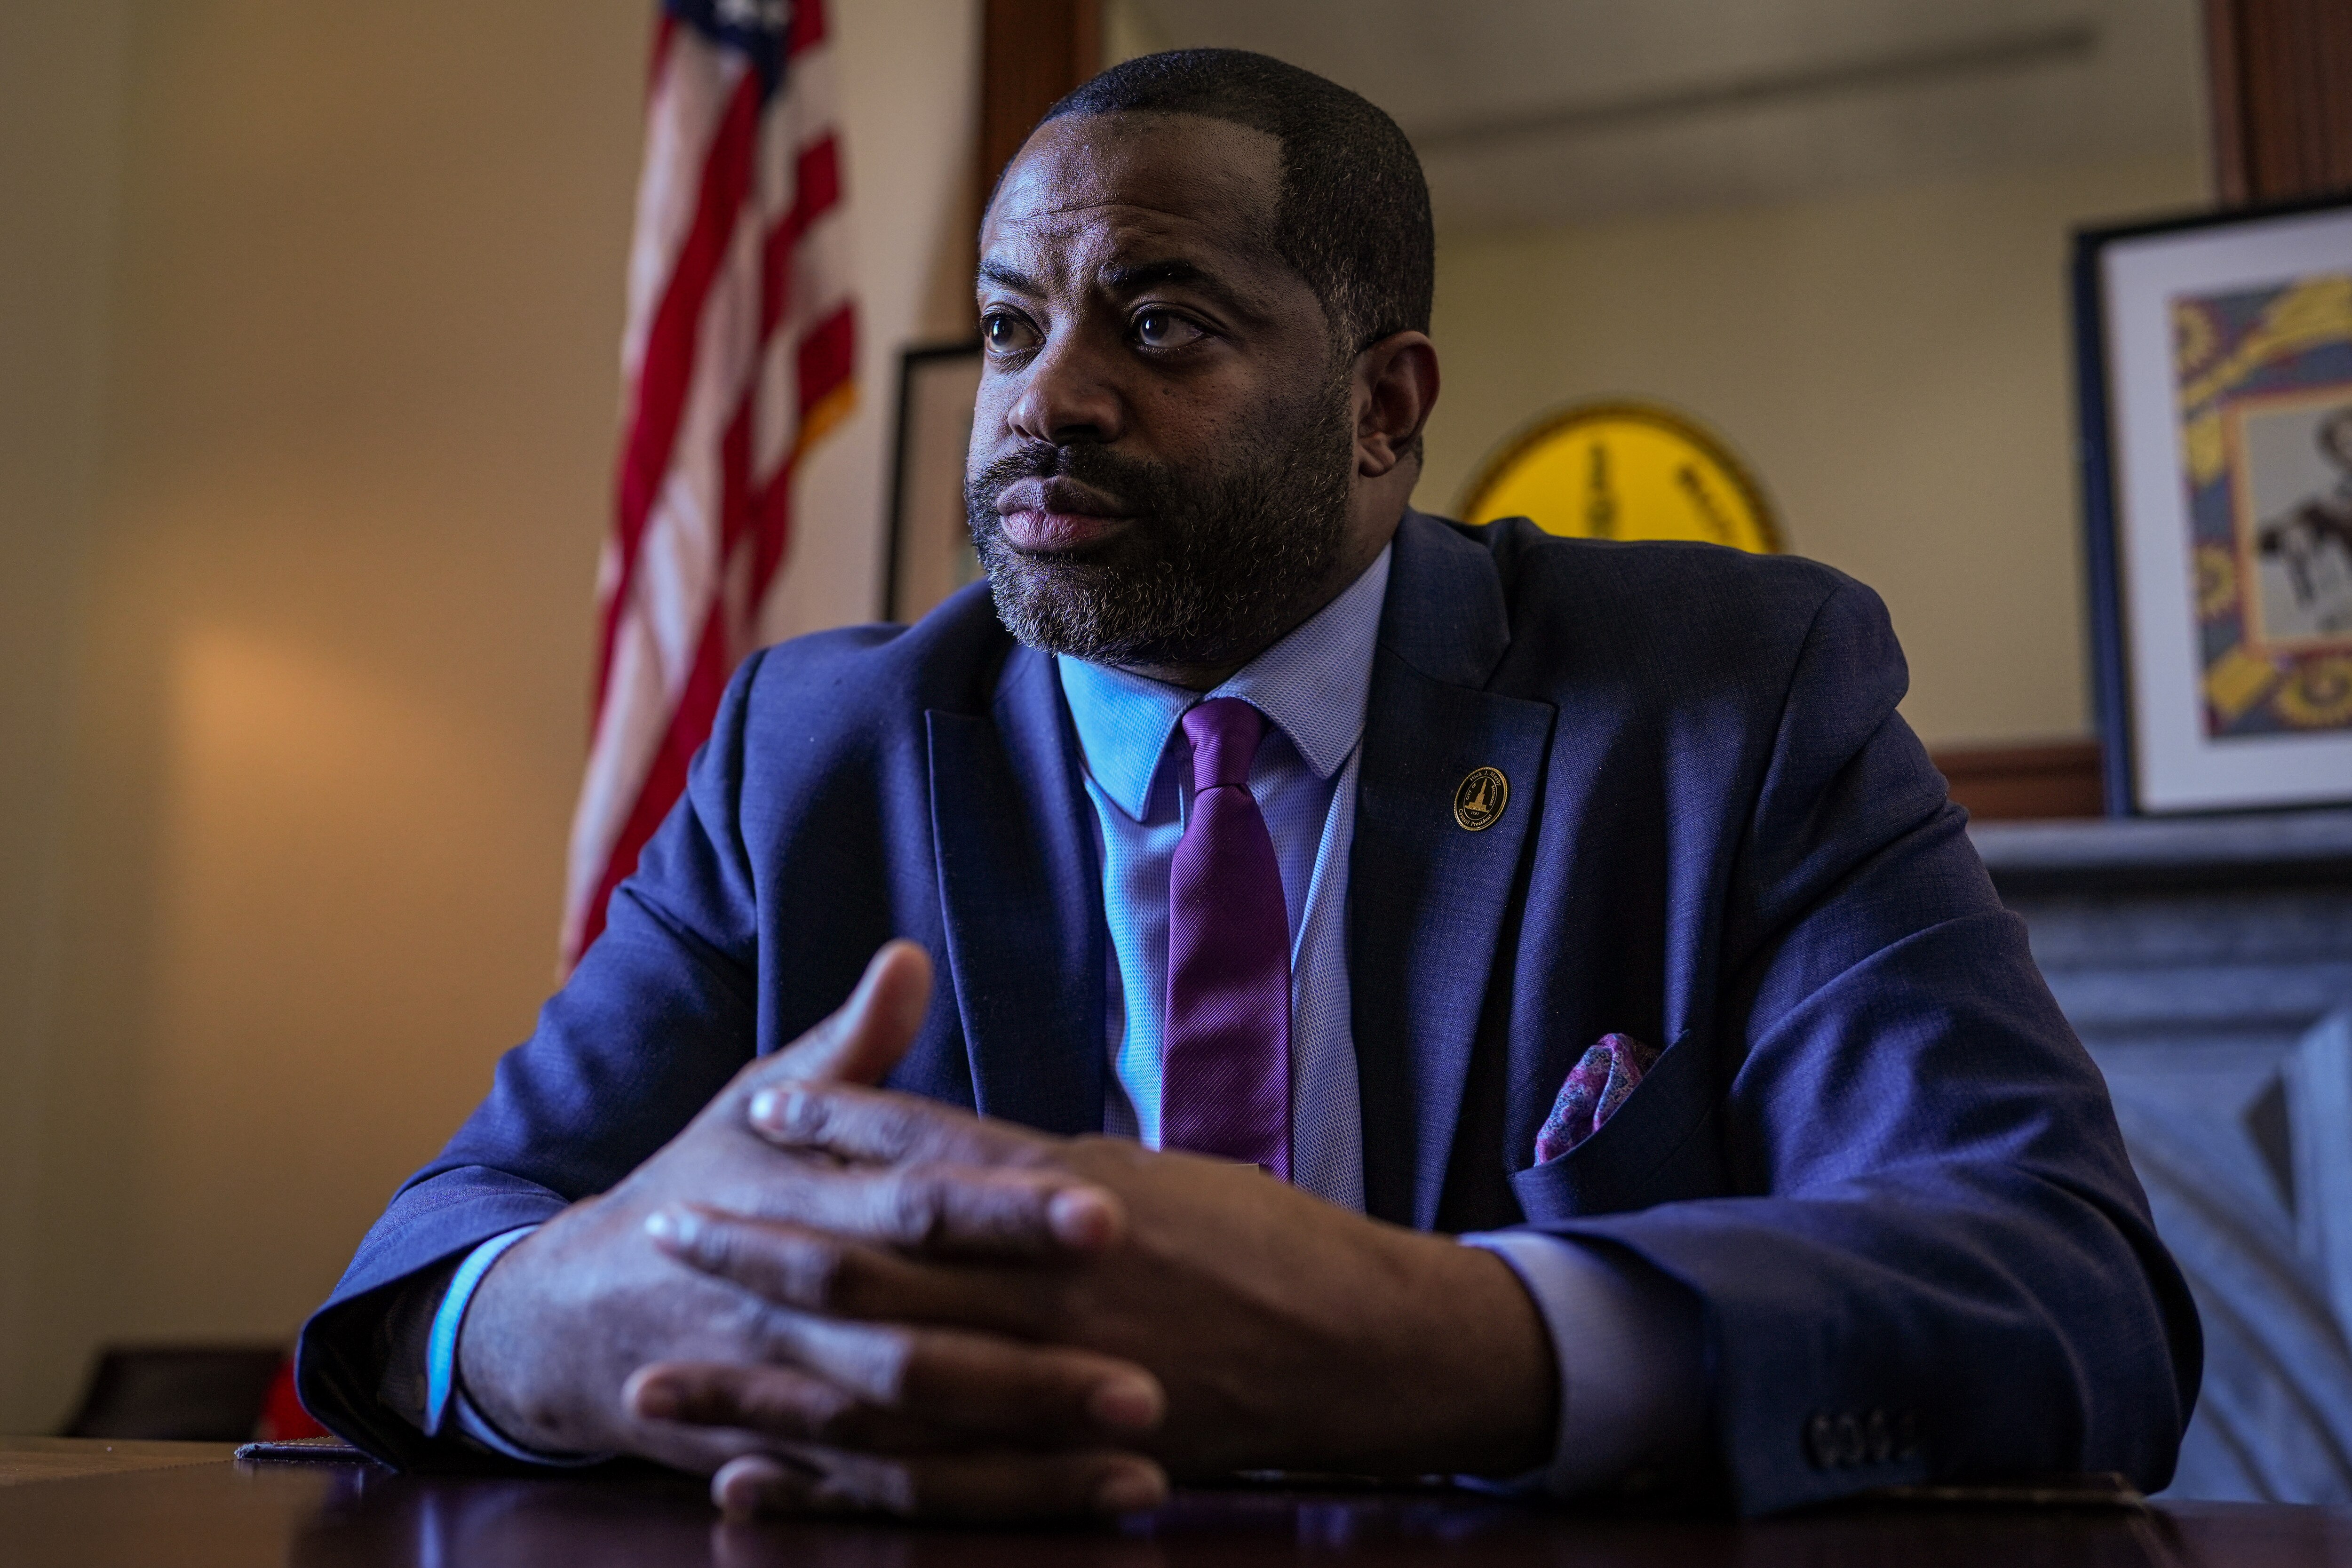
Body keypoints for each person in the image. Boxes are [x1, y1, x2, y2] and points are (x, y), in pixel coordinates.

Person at [297, 49, 2198, 1521]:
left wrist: (1434, 1344)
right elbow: (428, 1265)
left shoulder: (1726, 698)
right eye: (1014, 322)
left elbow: (2061, 1285)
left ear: (1383, 406)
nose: (1048, 397)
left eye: (1160, 319)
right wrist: (587, 1313)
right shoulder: (812, 748)